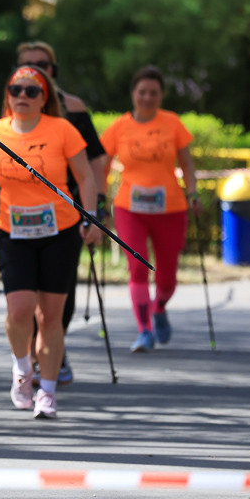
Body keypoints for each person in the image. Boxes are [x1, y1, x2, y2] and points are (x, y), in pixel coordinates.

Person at [0, 65, 101, 419]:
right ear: (7, 96)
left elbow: (85, 177)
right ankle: (22, 369)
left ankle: (48, 391)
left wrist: (91, 216)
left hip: (60, 231)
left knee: (50, 316)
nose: (22, 96)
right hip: (12, 231)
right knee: (19, 310)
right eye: (16, 90)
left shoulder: (63, 129)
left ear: (45, 98)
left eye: (32, 91)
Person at [15, 42, 109, 386]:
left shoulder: (73, 108)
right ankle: (32, 357)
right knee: (24, 293)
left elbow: (96, 160)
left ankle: (54, 348)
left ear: (54, 70)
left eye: (43, 64)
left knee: (59, 289)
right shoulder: (11, 104)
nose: (36, 70)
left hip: (66, 211)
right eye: (27, 65)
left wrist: (97, 207)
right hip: (19, 210)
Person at [100, 65, 202, 353]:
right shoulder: (119, 127)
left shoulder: (172, 123)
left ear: (161, 96)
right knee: (138, 267)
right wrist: (99, 199)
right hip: (130, 209)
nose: (147, 97)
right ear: (133, 93)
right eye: (142, 92)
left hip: (171, 209)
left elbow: (187, 163)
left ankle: (159, 307)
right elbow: (102, 166)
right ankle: (144, 330)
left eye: (153, 93)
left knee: (167, 278)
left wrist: (193, 192)